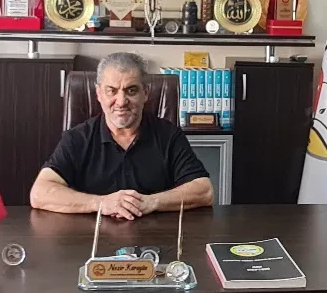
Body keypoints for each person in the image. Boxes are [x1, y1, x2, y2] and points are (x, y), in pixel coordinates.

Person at [30, 52, 213, 220]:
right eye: (112, 90)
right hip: (90, 238)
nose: (121, 101)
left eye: (131, 90)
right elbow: (40, 193)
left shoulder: (169, 135)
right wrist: (100, 203)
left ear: (145, 93)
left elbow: (204, 190)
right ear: (99, 94)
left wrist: (151, 202)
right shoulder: (77, 139)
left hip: (155, 238)